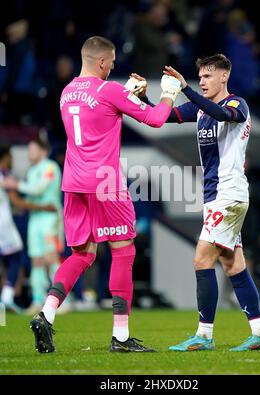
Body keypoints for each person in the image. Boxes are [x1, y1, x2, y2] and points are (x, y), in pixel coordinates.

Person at [28, 36, 181, 353]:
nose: (113, 66)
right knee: (123, 251)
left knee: (82, 255)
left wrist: (128, 94)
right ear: (101, 61)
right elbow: (155, 119)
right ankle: (121, 337)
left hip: (73, 181)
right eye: (111, 62)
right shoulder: (108, 90)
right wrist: (168, 94)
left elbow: (98, 112)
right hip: (104, 181)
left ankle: (46, 313)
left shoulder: (67, 91)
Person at [135, 53, 260, 351]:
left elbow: (224, 115)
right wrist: (145, 98)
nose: (203, 81)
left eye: (208, 76)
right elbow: (166, 118)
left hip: (229, 193)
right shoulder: (200, 111)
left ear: (225, 76)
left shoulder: (236, 104)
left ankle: (205, 335)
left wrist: (185, 88)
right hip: (214, 197)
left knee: (201, 259)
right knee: (232, 263)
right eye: (200, 77)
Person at [3, 138, 64, 314]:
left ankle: (61, 300)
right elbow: (31, 197)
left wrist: (16, 184)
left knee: (51, 257)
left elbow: (39, 189)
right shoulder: (32, 171)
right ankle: (38, 301)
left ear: (43, 150)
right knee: (36, 260)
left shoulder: (50, 167)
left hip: (50, 218)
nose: (29, 153)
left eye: (32, 149)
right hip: (35, 219)